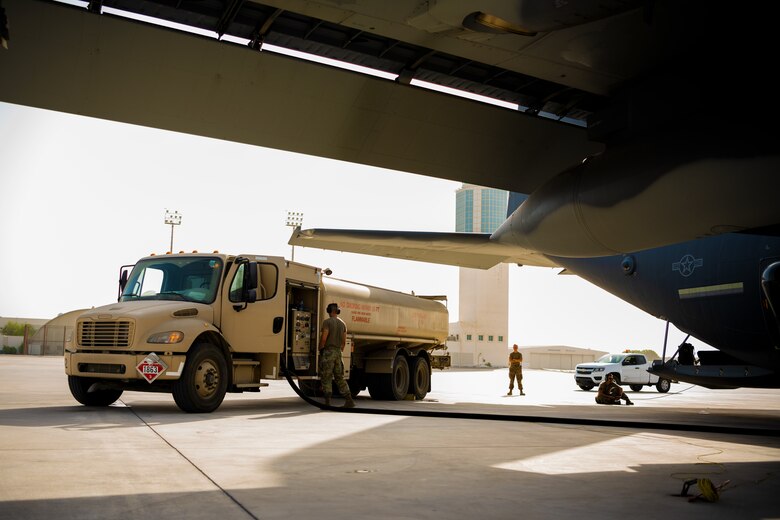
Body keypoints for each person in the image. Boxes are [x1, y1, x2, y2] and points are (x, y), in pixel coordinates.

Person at [319, 302, 355, 408]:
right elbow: (344, 342)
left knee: (326, 377)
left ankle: (327, 402)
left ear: (329, 311)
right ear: (337, 311)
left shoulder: (327, 322)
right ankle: (349, 400)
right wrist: (338, 352)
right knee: (339, 377)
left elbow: (324, 338)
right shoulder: (343, 324)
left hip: (328, 352)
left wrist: (320, 349)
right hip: (338, 353)